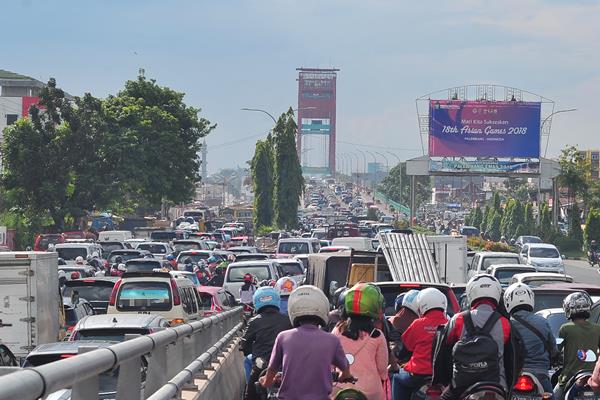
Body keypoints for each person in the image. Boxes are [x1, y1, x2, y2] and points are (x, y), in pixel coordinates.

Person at [432, 275, 519, 400]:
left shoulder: (458, 320)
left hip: (460, 386)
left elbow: (442, 350)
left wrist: (441, 380)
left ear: (471, 293)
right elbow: (514, 359)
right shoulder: (505, 323)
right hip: (498, 386)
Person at [260, 285, 354, 399]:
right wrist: (344, 376)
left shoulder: (283, 337)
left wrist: (265, 382)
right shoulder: (332, 340)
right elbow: (345, 368)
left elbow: (272, 369)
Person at [332, 282, 388, 400]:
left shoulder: (338, 330)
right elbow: (383, 369)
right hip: (370, 392)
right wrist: (384, 375)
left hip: (339, 389)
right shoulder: (377, 335)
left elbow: (329, 362)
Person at [391, 288, 448, 400]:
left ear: (422, 305)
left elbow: (403, 350)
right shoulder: (450, 323)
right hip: (443, 376)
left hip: (417, 375)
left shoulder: (418, 324)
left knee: (397, 378)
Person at [504, 283, 557, 397]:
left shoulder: (506, 324)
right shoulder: (542, 322)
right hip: (541, 374)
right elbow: (553, 350)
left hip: (513, 376)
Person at [241, 286, 291, 400]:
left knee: (250, 395)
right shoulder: (288, 320)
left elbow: (244, 344)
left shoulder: (254, 321)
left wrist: (251, 352)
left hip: (261, 366)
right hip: (285, 366)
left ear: (256, 301)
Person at [554, 291, 600, 400]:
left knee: (553, 396)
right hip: (593, 377)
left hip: (569, 376)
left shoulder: (565, 328)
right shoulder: (597, 328)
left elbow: (556, 350)